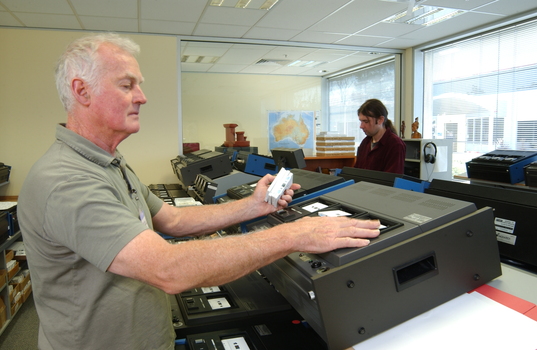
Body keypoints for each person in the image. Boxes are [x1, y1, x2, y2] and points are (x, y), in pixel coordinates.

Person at [17, 33, 381, 350]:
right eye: (127, 85)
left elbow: (171, 219)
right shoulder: (67, 180)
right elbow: (168, 269)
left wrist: (252, 206)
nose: (142, 97)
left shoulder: (111, 162)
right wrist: (295, 234)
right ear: (82, 91)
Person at [353, 99, 406, 174]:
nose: (361, 126)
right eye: (361, 121)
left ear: (380, 120)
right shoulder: (365, 143)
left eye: (366, 121)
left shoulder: (395, 144)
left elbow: (392, 179)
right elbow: (356, 172)